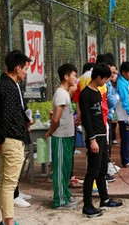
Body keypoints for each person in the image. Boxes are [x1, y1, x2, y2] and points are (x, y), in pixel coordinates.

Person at [0, 50, 32, 225]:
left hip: (6, 139)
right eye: (25, 68)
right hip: (12, 140)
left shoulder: (1, 85)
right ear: (17, 68)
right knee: (9, 184)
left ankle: (5, 219)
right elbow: (5, 116)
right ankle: (9, 222)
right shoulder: (10, 87)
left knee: (4, 183)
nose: (26, 72)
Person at [79, 63, 123, 218]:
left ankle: (104, 199)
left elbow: (100, 116)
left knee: (103, 169)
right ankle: (87, 206)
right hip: (94, 138)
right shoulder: (85, 95)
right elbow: (86, 120)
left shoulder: (98, 92)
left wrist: (105, 136)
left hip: (102, 135)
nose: (106, 82)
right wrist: (92, 140)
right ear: (98, 77)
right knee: (92, 171)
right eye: (105, 79)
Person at [44, 63, 78, 210]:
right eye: (74, 76)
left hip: (68, 135)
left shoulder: (65, 93)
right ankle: (59, 200)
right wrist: (50, 132)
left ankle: (65, 194)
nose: (75, 79)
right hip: (61, 136)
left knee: (65, 169)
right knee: (59, 169)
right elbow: (56, 119)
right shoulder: (60, 94)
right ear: (66, 76)